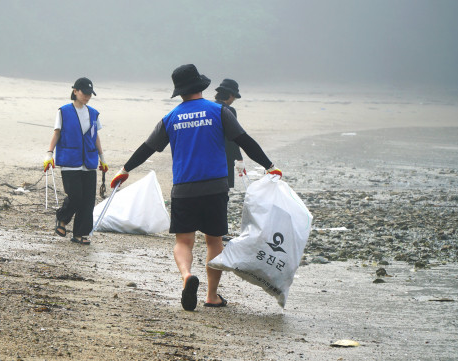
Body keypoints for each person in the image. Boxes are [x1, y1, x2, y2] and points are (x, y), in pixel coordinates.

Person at [110, 64, 281, 311]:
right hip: (214, 187)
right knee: (214, 241)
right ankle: (212, 296)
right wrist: (269, 165)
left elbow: (147, 148)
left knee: (184, 241)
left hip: (184, 188)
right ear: (201, 86)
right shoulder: (219, 111)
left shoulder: (170, 118)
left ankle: (187, 277)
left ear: (179, 91)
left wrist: (124, 170)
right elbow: (245, 141)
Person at [43, 77, 109, 246]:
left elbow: (95, 137)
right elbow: (57, 133)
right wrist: (49, 154)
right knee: (75, 196)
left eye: (90, 94)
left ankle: (80, 233)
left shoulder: (93, 113)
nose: (87, 96)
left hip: (89, 161)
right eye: (84, 92)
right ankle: (62, 219)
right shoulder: (63, 111)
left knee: (88, 200)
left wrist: (102, 158)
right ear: (75, 91)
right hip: (69, 160)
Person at [214, 79, 245, 189]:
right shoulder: (229, 110)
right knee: (223, 189)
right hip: (225, 156)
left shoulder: (210, 108)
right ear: (231, 95)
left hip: (210, 155)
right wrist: (239, 158)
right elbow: (233, 137)